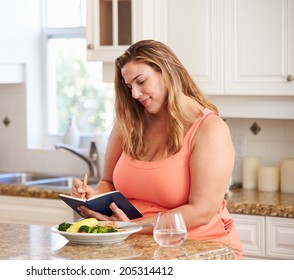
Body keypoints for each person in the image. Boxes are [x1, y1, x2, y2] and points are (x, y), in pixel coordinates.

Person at [71, 39, 243, 259]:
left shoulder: (209, 129)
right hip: (134, 245)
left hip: (200, 249)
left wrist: (133, 227)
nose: (135, 94)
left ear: (167, 72)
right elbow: (109, 182)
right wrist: (92, 197)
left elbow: (201, 211)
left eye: (141, 81)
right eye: (129, 86)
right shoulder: (129, 123)